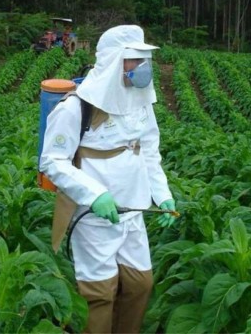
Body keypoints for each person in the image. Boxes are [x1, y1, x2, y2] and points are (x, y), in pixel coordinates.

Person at [39, 24, 176, 333]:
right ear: (114, 61)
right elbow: (52, 161)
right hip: (95, 215)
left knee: (140, 284)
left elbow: (149, 149)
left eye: (143, 59)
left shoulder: (140, 99)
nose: (141, 67)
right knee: (99, 293)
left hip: (134, 210)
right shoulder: (77, 107)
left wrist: (162, 193)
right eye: (134, 60)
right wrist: (94, 194)